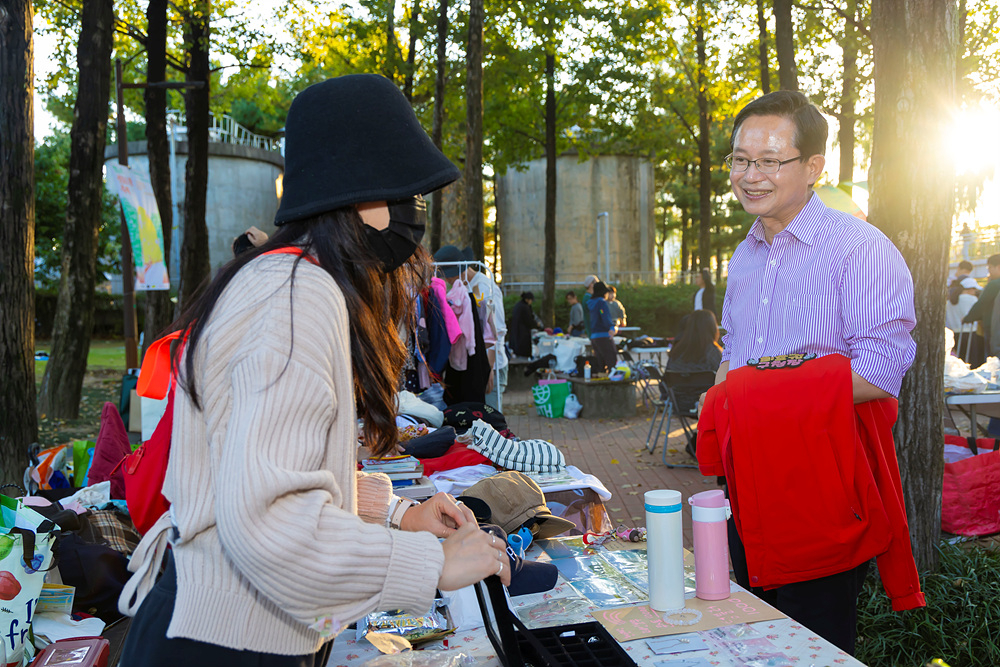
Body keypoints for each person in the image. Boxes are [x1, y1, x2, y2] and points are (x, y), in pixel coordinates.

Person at [118, 75, 509, 667]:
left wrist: (398, 512)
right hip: (223, 644)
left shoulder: (288, 279)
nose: (414, 212)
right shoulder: (295, 295)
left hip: (230, 624)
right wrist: (432, 563)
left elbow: (266, 472)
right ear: (354, 194)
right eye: (405, 191)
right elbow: (269, 521)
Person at [704, 90, 923, 655]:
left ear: (814, 167)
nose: (751, 176)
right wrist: (726, 401)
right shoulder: (745, 254)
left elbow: (880, 369)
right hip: (745, 476)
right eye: (740, 159)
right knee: (754, 630)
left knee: (814, 642)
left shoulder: (860, 249)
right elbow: (735, 352)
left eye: (770, 161)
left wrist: (759, 396)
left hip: (816, 481)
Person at [963, 254, 1000, 356]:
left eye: (990, 267)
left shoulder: (994, 284)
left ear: (998, 267)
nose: (989, 271)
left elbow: (982, 304)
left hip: (993, 326)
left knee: (991, 359)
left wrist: (968, 318)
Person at [947, 276, 983, 365]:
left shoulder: (950, 301)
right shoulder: (971, 299)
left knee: (960, 360)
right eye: (974, 290)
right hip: (970, 333)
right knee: (971, 361)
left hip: (955, 334)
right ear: (969, 289)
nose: (975, 293)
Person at [588, 281, 618, 373]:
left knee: (600, 363)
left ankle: (601, 381)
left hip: (594, 336)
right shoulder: (601, 303)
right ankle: (613, 383)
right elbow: (604, 315)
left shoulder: (590, 303)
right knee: (611, 360)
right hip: (604, 335)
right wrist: (611, 327)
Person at [509, 291, 536, 358]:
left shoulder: (518, 305)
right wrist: (536, 324)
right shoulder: (525, 307)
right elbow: (529, 320)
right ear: (527, 300)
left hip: (516, 332)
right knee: (523, 353)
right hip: (523, 334)